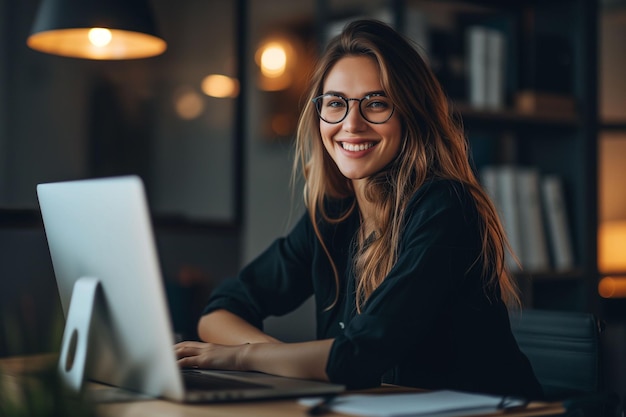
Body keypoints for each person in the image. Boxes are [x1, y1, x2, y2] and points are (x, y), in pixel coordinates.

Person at [175, 19, 543, 400]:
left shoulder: (445, 207)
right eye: (335, 103)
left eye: (377, 103)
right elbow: (219, 311)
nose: (351, 124)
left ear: (411, 115)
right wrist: (269, 357)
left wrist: (242, 359)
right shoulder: (334, 215)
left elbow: (357, 357)